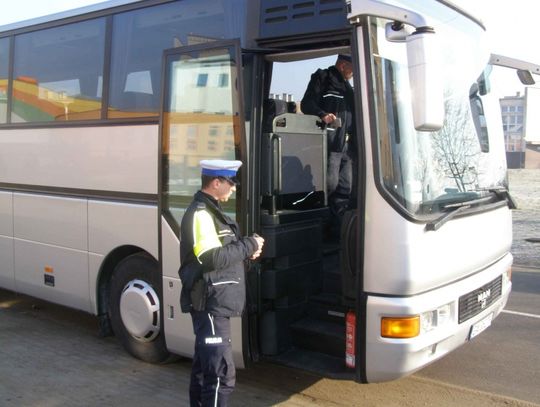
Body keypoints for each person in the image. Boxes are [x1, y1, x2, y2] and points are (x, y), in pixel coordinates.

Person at [178, 159, 264, 407]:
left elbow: (223, 254)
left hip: (215, 303)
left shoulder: (212, 212)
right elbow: (211, 258)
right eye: (231, 183)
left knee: (205, 369)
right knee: (220, 375)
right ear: (216, 182)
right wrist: (249, 245)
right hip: (210, 305)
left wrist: (247, 251)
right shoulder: (201, 214)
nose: (234, 188)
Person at [301, 54, 355, 230]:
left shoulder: (349, 89)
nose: (354, 73)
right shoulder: (322, 78)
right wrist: (322, 114)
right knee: (329, 186)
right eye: (352, 68)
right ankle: (319, 228)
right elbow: (307, 103)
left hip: (346, 147)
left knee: (346, 188)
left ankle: (336, 231)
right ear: (342, 66)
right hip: (329, 145)